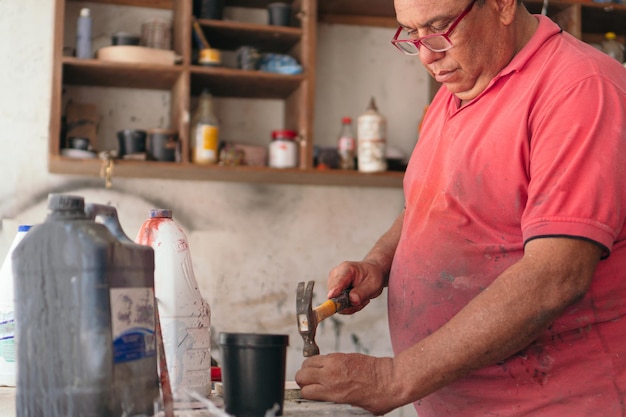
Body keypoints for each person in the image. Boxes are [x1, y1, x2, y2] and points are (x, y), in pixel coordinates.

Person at [295, 0, 626, 415]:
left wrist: (395, 379)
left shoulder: (578, 88)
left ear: (503, 4)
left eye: (439, 27)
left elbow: (556, 275)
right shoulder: (457, 91)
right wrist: (378, 263)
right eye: (411, 34)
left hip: (557, 403)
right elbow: (427, 205)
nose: (426, 55)